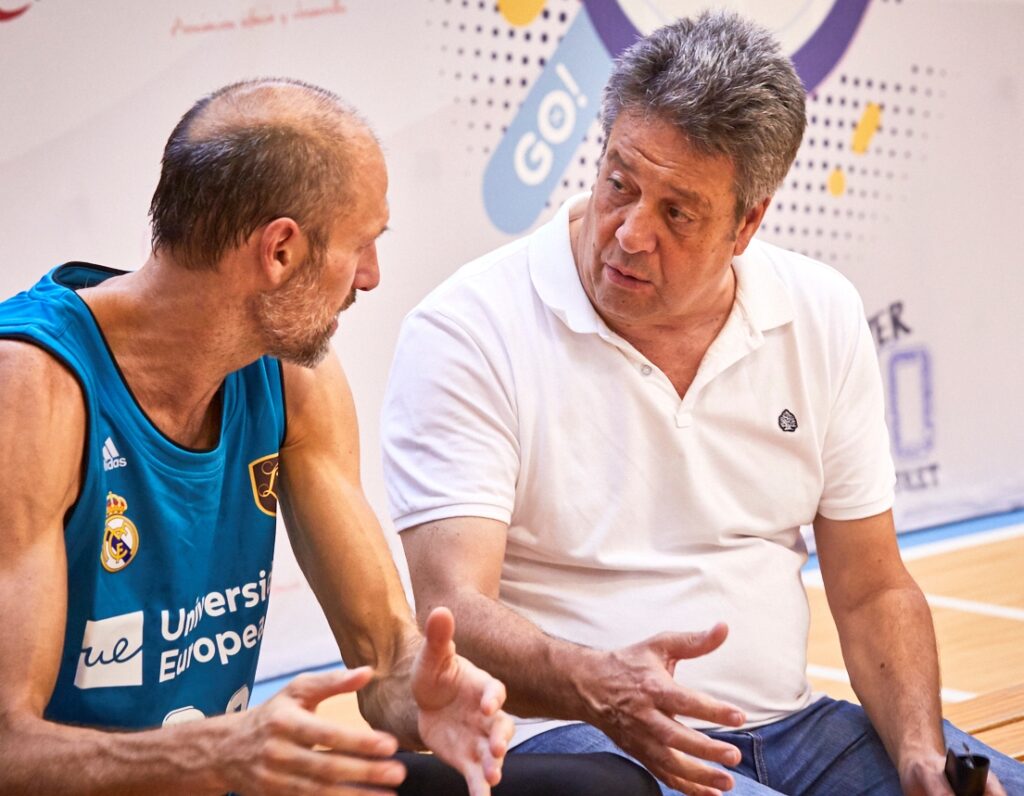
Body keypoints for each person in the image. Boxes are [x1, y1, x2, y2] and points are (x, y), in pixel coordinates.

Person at [381, 12, 1023, 796]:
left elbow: (873, 588)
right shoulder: (469, 327)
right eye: (620, 181)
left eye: (677, 213)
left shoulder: (819, 310)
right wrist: (603, 686)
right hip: (584, 744)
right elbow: (454, 608)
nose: (629, 233)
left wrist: (921, 752)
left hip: (795, 729)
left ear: (748, 223)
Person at [0, 78, 519, 796]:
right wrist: (209, 756)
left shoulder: (292, 378)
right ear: (279, 250)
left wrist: (427, 700)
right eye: (362, 245)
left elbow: (385, 657)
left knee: (595, 787)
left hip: (222, 778)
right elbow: (7, 747)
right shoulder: (30, 389)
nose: (370, 277)